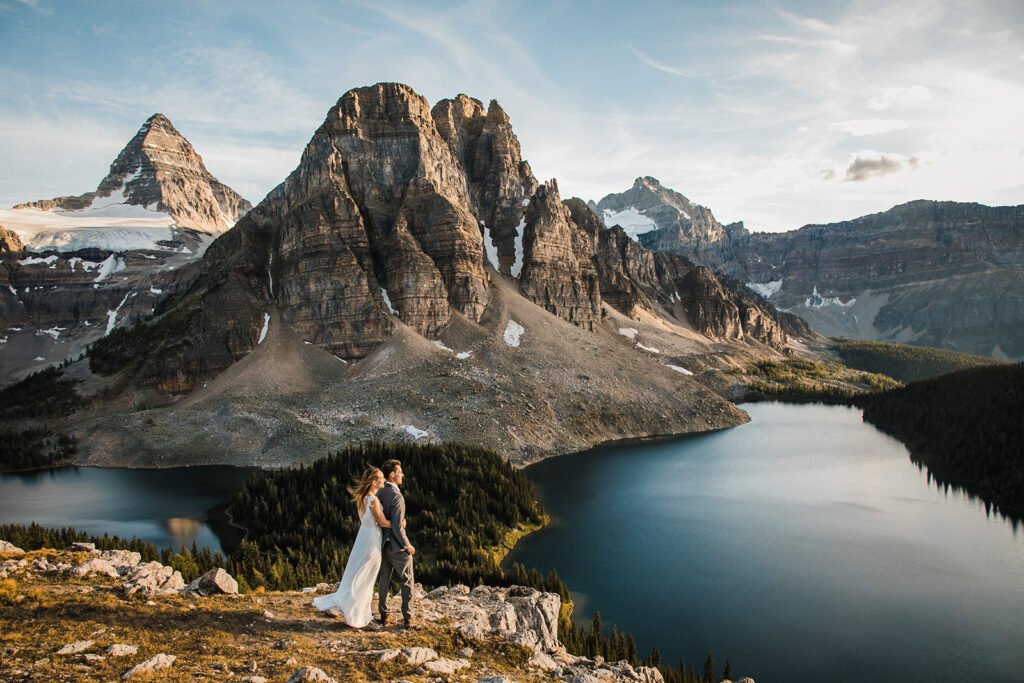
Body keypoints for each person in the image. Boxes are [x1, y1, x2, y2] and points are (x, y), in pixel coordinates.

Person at [312, 467, 393, 628]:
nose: (384, 480)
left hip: (363, 536)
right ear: (374, 482)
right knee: (366, 575)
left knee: (359, 572)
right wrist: (400, 524)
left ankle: (353, 608)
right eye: (382, 478)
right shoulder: (373, 500)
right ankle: (360, 615)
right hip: (371, 539)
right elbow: (383, 522)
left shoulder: (363, 497)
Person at [376, 458, 416, 628]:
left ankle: (384, 614)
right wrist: (407, 545)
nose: (402, 475)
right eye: (399, 472)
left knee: (384, 578)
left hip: (383, 544)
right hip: (397, 546)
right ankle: (408, 618)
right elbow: (398, 527)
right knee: (407, 580)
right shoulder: (396, 496)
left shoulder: (380, 492)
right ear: (392, 475)